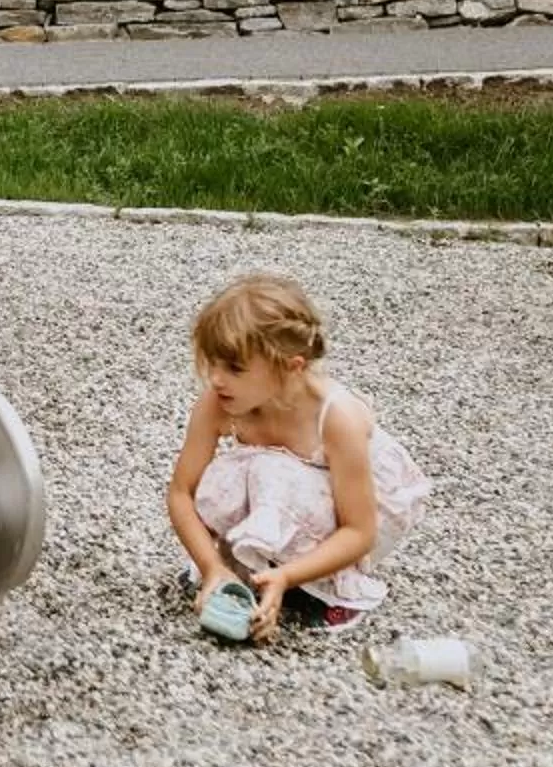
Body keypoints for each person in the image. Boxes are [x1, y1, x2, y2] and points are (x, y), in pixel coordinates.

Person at [167, 272, 432, 636]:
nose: (215, 379)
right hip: (290, 494)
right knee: (231, 477)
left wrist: (288, 575)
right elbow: (182, 492)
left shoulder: (337, 418)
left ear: (291, 367)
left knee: (272, 472)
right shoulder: (219, 403)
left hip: (359, 512)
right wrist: (211, 565)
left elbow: (360, 531)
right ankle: (249, 569)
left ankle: (325, 590)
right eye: (212, 363)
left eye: (234, 368)